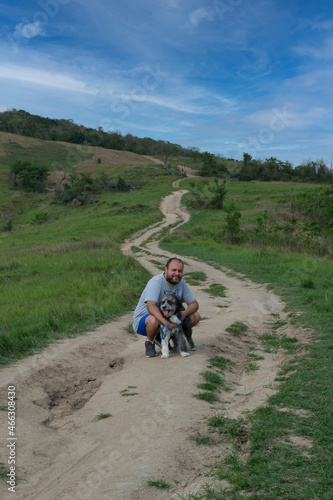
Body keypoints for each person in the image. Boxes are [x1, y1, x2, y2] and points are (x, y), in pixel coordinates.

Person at [132, 257, 200, 357]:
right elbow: (150, 307)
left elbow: (194, 304)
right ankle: (150, 342)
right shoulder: (156, 282)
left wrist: (183, 314)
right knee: (154, 320)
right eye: (174, 270)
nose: (177, 273)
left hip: (168, 317)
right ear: (166, 269)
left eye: (180, 271)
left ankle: (163, 337)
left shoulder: (181, 284)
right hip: (145, 320)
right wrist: (166, 323)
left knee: (195, 316)